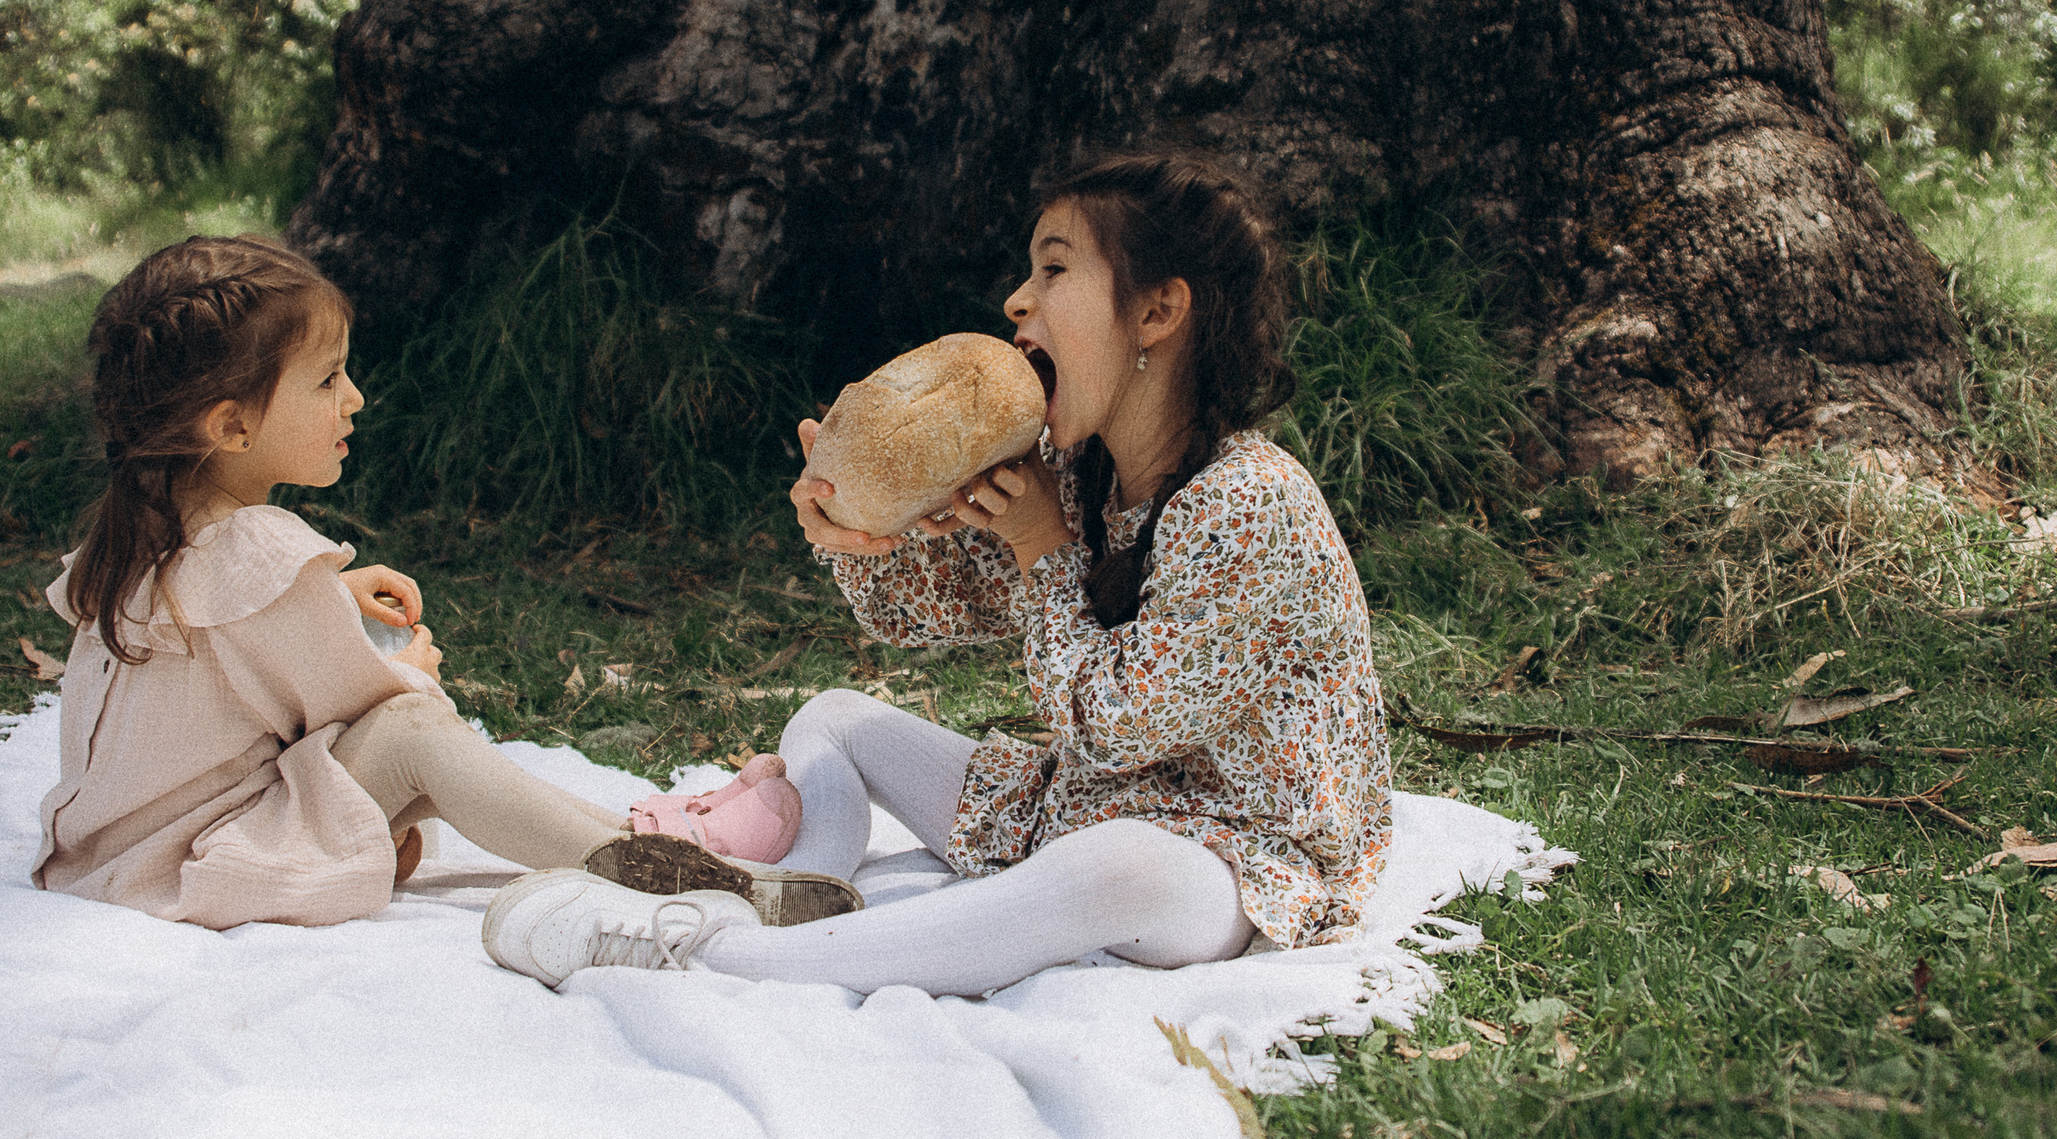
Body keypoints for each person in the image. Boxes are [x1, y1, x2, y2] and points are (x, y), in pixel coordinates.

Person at [481, 153, 1394, 993]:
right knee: (833, 716)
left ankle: (723, 952)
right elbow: (920, 609)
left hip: (1232, 861)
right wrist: (858, 526)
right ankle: (793, 890)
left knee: (1115, 864)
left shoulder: (1248, 501)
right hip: (1088, 800)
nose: (1015, 299)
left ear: (1157, 311)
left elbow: (1113, 727)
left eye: (1054, 268)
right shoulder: (1080, 474)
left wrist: (1042, 548)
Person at [32, 235, 842, 930]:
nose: (355, 397)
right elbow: (359, 703)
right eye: (326, 381)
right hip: (198, 860)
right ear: (232, 424)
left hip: (116, 856)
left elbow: (220, 645)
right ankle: (664, 871)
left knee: (411, 750)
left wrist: (328, 594)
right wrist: (408, 674)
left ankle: (649, 837)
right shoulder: (257, 552)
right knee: (417, 733)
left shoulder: (138, 534)